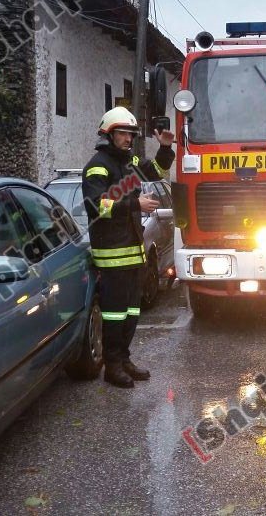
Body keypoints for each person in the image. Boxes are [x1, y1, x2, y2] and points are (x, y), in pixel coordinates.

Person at [82, 107, 175, 389]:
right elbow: (95, 205)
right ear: (108, 135)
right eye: (123, 133)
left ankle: (123, 359)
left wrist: (165, 148)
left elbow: (156, 171)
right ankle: (112, 367)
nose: (128, 139)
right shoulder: (99, 165)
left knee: (131, 311)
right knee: (113, 313)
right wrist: (135, 204)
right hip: (112, 254)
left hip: (133, 250)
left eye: (131, 134)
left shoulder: (128, 162)